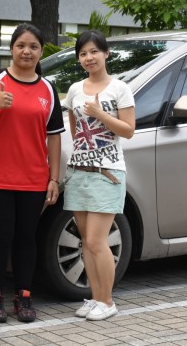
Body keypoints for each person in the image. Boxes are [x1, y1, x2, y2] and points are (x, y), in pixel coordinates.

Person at [0, 23, 64, 323]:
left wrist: (54, 179)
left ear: (41, 51)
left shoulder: (48, 89)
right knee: (0, 237)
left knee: (26, 238)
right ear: (11, 48)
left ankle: (24, 296)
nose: (27, 51)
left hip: (33, 178)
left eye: (33, 46)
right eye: (21, 45)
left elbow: (55, 135)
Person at [63, 30, 135, 321]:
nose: (88, 57)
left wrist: (99, 113)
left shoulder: (120, 88)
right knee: (85, 241)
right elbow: (75, 130)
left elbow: (128, 130)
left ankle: (107, 301)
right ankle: (94, 298)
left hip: (108, 172)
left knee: (96, 241)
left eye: (94, 51)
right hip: (79, 170)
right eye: (82, 53)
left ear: (106, 53)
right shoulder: (74, 90)